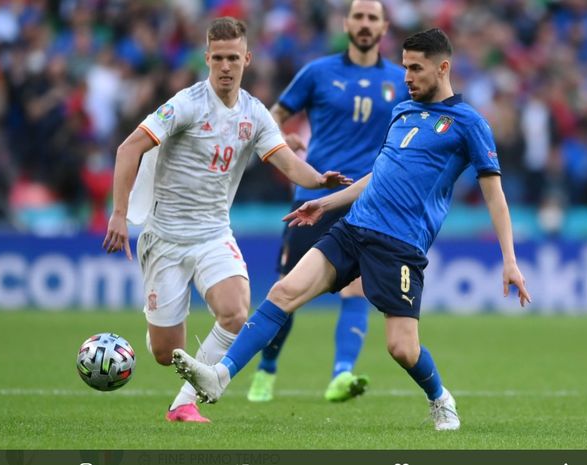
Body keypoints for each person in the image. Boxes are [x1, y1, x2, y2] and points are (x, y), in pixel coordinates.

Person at [171, 28, 531, 431]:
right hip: (354, 226)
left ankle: (440, 397)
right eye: (405, 66)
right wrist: (324, 203)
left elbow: (495, 196)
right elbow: (378, 174)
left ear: (443, 67)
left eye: (415, 68)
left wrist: (510, 260)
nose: (407, 77)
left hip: (399, 244)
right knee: (283, 291)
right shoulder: (403, 111)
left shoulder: (468, 123)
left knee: (401, 348)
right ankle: (221, 376)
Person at [102, 17, 351, 424]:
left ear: (247, 59)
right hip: (164, 236)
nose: (225, 66)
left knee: (237, 313)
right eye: (217, 58)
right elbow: (128, 149)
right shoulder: (185, 104)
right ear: (207, 58)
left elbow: (288, 163)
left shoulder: (254, 113)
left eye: (233, 58)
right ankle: (157, 332)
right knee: (167, 353)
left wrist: (319, 179)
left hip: (213, 232)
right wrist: (118, 213)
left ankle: (184, 403)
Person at [247, 0, 409, 404]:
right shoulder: (318, 73)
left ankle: (341, 374)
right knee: (288, 291)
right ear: (347, 23)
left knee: (357, 289)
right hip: (314, 197)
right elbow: (274, 114)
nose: (366, 24)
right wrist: (279, 139)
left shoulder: (399, 79)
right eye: (359, 16)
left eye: (373, 17)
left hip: (367, 200)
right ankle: (266, 370)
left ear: (384, 26)